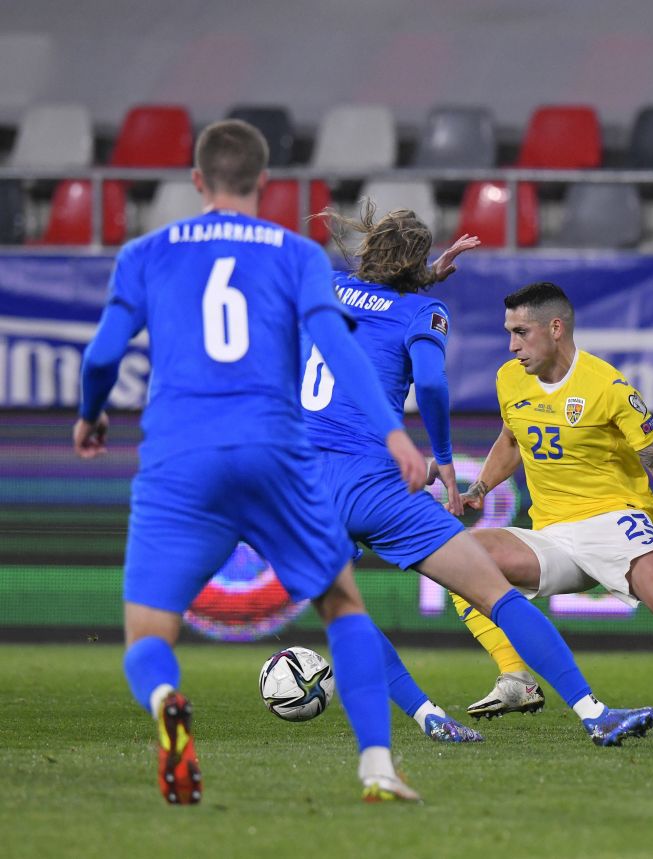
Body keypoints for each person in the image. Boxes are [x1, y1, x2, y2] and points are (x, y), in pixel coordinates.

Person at [73, 119, 427, 805]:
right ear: (265, 183)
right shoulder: (297, 254)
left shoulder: (146, 252)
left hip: (181, 456)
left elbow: (101, 356)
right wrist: (393, 433)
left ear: (198, 181)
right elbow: (341, 348)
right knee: (341, 601)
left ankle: (168, 698)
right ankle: (378, 766)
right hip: (275, 451)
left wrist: (91, 414)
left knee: (148, 631)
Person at [300, 205, 653, 748]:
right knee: (494, 592)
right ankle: (594, 713)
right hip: (373, 483)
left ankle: (427, 717)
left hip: (300, 485)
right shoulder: (423, 312)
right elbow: (433, 385)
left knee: (345, 612)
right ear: (417, 264)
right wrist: (442, 458)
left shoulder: (322, 286)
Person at [450, 282, 653, 736]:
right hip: (550, 534)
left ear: (555, 328)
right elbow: (511, 439)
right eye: (508, 332)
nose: (512, 345)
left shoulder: (607, 386)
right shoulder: (510, 379)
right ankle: (516, 678)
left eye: (521, 332)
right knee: (455, 558)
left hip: (614, 520)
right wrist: (481, 486)